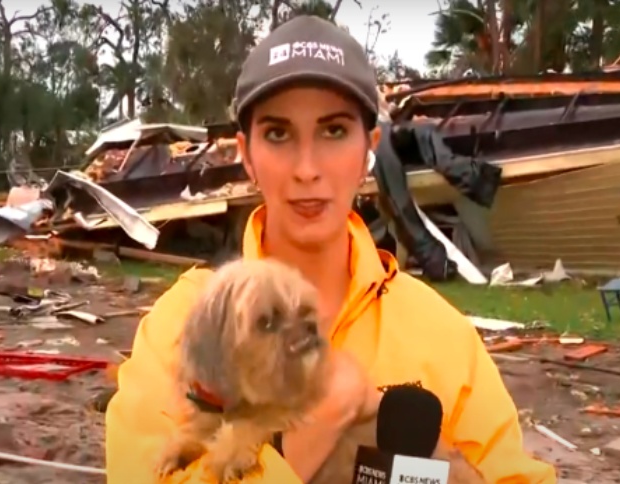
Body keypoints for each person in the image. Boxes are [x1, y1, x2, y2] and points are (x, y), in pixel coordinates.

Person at [105, 15, 557, 484]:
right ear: (247, 154)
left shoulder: (441, 336)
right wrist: (316, 426)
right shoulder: (185, 323)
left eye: (334, 131)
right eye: (278, 134)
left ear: (370, 148)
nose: (307, 168)